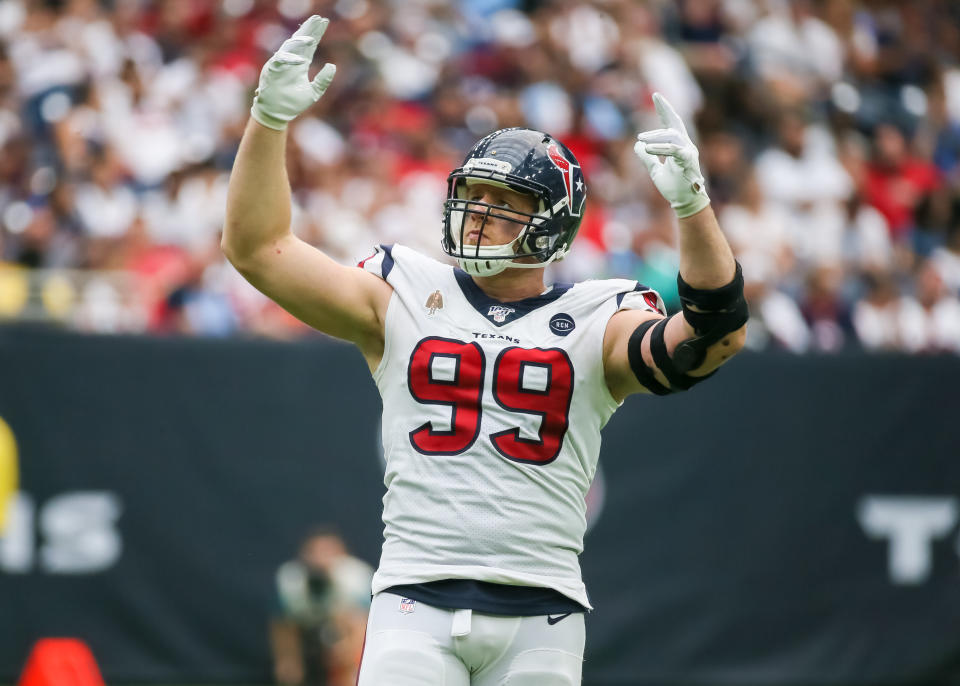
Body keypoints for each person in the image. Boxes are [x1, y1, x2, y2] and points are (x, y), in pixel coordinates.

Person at [225, 16, 748, 686]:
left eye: (503, 204)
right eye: (472, 198)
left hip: (543, 615)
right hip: (414, 600)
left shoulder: (597, 317)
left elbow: (715, 335)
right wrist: (267, 119)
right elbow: (257, 249)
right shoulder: (403, 291)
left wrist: (693, 208)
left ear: (552, 221)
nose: (478, 217)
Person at [270, 527, 373, 686]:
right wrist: (288, 660)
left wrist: (349, 658)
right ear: (304, 555)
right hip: (309, 633)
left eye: (328, 553)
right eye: (315, 552)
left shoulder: (355, 578)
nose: (321, 560)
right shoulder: (292, 580)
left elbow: (365, 622)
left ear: (343, 555)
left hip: (348, 632)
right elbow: (283, 624)